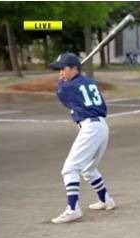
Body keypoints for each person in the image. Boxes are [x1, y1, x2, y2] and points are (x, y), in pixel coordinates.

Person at [49, 53, 116, 224]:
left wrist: (63, 81)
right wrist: (71, 76)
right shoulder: (91, 82)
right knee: (88, 168)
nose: (60, 73)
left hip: (90, 128)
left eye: (63, 69)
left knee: (69, 169)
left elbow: (62, 93)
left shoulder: (66, 88)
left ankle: (73, 209)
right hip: (102, 126)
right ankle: (106, 200)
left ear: (74, 68)